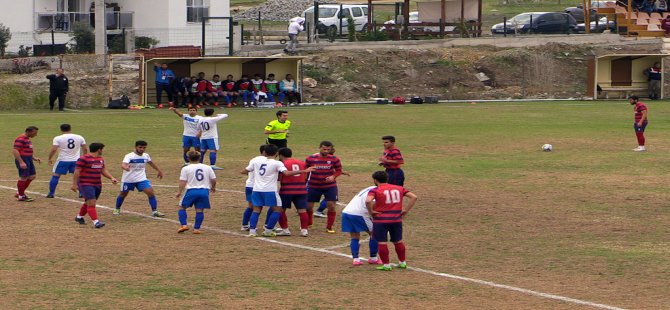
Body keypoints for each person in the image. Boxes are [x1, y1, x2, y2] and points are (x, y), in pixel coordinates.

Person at [242, 144, 314, 237]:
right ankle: (268, 230)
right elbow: (287, 173)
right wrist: (303, 171)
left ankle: (252, 231)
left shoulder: (256, 162)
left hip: (257, 189)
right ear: (276, 153)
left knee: (256, 210)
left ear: (264, 152)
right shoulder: (277, 163)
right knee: (278, 209)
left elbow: (244, 171)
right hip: (270, 190)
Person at [365, 171, 418, 271]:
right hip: (396, 219)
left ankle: (386, 265)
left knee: (382, 242)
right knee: (398, 241)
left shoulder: (375, 190)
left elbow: (368, 201)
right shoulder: (399, 188)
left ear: (375, 180)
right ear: (387, 178)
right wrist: (406, 210)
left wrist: (371, 211)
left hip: (381, 220)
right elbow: (414, 197)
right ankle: (402, 262)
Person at [72, 143, 119, 228]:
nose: (102, 151)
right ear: (99, 150)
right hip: (85, 184)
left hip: (97, 184)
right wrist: (74, 184)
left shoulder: (100, 159)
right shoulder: (83, 158)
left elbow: (103, 170)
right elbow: (77, 171)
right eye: (102, 149)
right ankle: (96, 222)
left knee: (89, 202)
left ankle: (79, 217)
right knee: (91, 202)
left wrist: (112, 178)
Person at [114, 140, 165, 217]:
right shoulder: (129, 156)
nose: (142, 149)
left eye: (144, 148)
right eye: (140, 147)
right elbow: (123, 164)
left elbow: (151, 163)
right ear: (136, 147)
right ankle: (117, 208)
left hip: (141, 179)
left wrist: (159, 170)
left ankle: (155, 211)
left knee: (151, 193)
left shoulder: (146, 155)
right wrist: (126, 168)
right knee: (123, 194)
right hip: (128, 179)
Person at [305, 141, 343, 233]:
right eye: (324, 149)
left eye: (328, 149)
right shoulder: (310, 158)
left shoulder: (335, 159)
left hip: (330, 186)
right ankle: (309, 222)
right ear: (319, 147)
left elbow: (339, 170)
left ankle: (329, 227)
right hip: (313, 185)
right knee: (308, 207)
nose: (326, 151)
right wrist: (304, 180)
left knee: (331, 206)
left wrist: (333, 176)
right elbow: (305, 171)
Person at [176, 150, 217, 234]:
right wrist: (213, 187)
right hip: (204, 191)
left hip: (191, 191)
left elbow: (183, 181)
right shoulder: (207, 167)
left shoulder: (185, 168)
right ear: (200, 157)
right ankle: (196, 229)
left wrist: (179, 192)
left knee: (182, 207)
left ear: (188, 158)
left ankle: (184, 225)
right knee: (199, 210)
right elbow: (213, 179)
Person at [341, 185, 381, 266]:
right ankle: (373, 258)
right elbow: (371, 203)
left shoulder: (370, 187)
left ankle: (356, 259)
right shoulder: (378, 191)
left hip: (347, 212)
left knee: (354, 236)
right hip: (359, 214)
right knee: (375, 234)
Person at [277, 147, 311, 237]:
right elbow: (306, 176)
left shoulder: (282, 164)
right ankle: (304, 230)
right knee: (302, 210)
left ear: (280, 155)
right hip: (301, 189)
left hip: (286, 190)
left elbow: (279, 177)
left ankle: (285, 229)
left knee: (280, 210)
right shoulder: (301, 163)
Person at [47, 124, 87, 198]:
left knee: (56, 176)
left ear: (61, 129)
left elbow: (54, 149)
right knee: (78, 176)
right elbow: (85, 149)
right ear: (70, 128)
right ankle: (81, 193)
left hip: (63, 160)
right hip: (76, 160)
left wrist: (49, 158)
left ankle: (51, 193)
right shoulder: (79, 137)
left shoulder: (58, 138)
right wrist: (84, 157)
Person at [241, 145, 267, 231]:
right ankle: (247, 225)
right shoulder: (268, 160)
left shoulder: (254, 159)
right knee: (255, 207)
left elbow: (246, 171)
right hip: (256, 186)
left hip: (250, 185)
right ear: (264, 151)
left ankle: (246, 224)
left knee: (253, 206)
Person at [13, 126, 41, 202]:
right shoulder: (21, 139)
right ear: (28, 132)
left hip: (28, 159)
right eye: (34, 133)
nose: (35, 135)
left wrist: (34, 158)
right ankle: (21, 196)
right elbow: (15, 150)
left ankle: (19, 192)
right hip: (23, 159)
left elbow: (26, 149)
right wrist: (21, 162)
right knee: (24, 177)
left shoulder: (27, 139)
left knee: (32, 176)